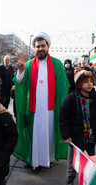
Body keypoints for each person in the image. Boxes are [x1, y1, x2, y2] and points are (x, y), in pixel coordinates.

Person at [14, 32, 70, 169]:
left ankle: (47, 159)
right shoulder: (27, 65)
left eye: (43, 46)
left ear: (48, 46)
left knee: (49, 134)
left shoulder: (57, 64)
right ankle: (33, 160)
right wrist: (20, 71)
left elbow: (64, 86)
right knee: (35, 134)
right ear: (34, 48)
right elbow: (20, 83)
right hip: (33, 109)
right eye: (37, 46)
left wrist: (63, 107)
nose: (40, 48)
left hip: (51, 109)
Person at [59, 70, 96, 185]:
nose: (89, 84)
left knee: (90, 167)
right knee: (72, 168)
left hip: (91, 141)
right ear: (79, 83)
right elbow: (63, 117)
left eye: (91, 81)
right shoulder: (71, 98)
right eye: (86, 81)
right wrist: (66, 136)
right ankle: (69, 184)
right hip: (76, 142)